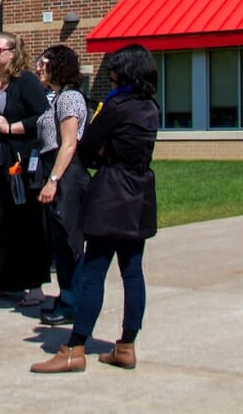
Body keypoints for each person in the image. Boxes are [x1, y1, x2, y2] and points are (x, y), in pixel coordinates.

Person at [31, 44, 159, 373]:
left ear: (126, 72)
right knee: (133, 272)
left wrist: (101, 151)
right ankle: (127, 345)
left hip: (111, 191)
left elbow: (86, 147)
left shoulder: (115, 105)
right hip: (141, 191)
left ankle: (74, 347)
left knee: (93, 272)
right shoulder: (151, 107)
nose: (111, 74)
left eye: (115, 69)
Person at [0, 32, 50, 303]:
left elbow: (43, 116)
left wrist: (12, 127)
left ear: (13, 53)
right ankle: (1, 282)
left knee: (25, 224)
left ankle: (35, 286)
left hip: (17, 164)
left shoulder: (25, 82)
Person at [33, 45, 90, 326]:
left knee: (70, 241)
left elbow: (69, 144)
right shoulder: (56, 98)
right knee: (60, 241)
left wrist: (53, 181)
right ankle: (67, 296)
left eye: (43, 63)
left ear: (58, 65)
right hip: (55, 169)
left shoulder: (69, 99)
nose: (38, 67)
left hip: (67, 175)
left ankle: (72, 303)